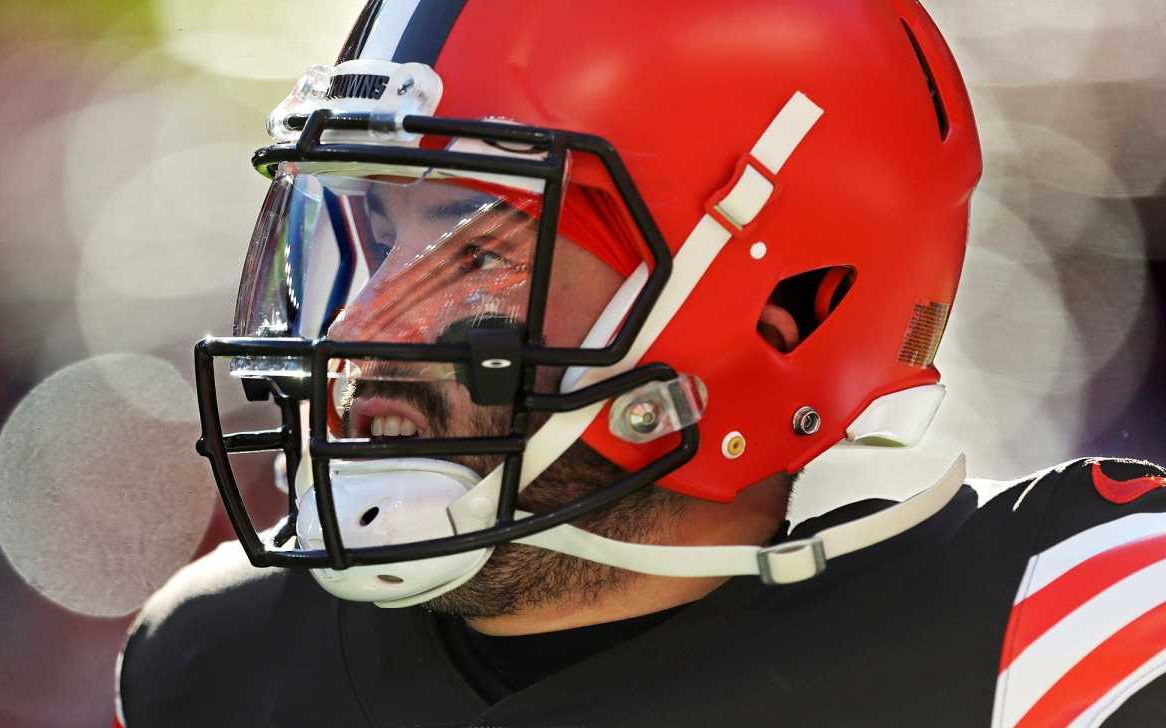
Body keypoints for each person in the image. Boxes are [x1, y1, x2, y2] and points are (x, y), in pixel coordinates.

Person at [116, 1, 1166, 725]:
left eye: (477, 250)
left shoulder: (1067, 643)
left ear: (787, 308)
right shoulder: (217, 657)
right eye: (370, 238)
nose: (370, 329)